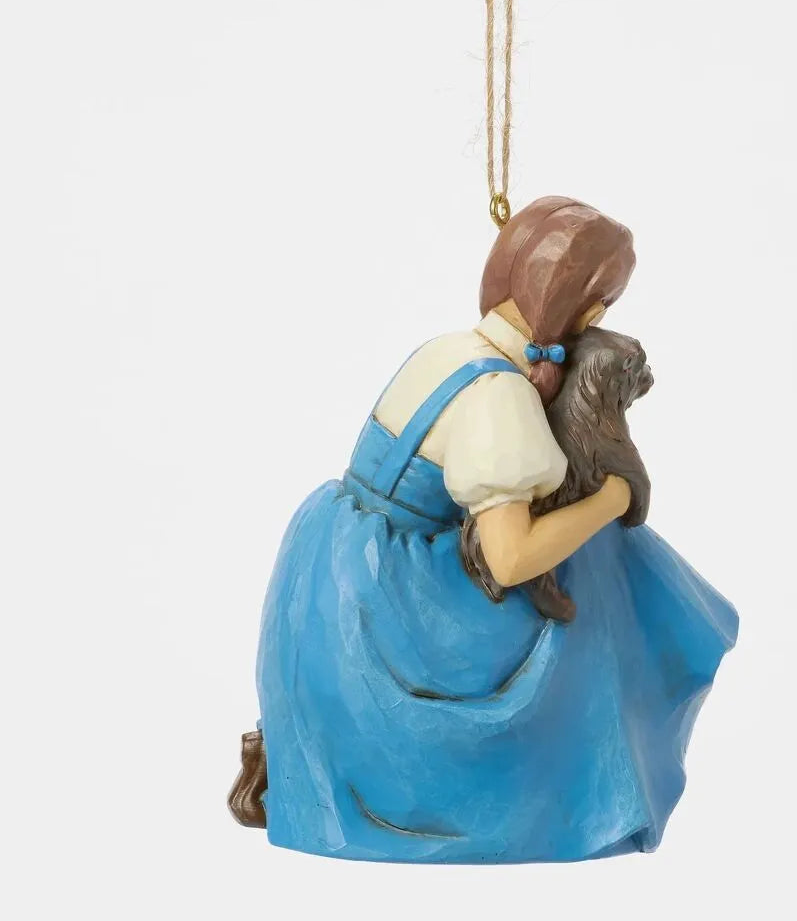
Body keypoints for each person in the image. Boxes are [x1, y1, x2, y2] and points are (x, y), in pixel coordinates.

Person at [244, 196, 738, 862]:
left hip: (332, 570)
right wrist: (611, 499)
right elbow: (509, 561)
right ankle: (588, 785)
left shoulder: (447, 349)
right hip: (391, 616)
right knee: (594, 566)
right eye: (603, 305)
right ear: (587, 309)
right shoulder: (500, 396)